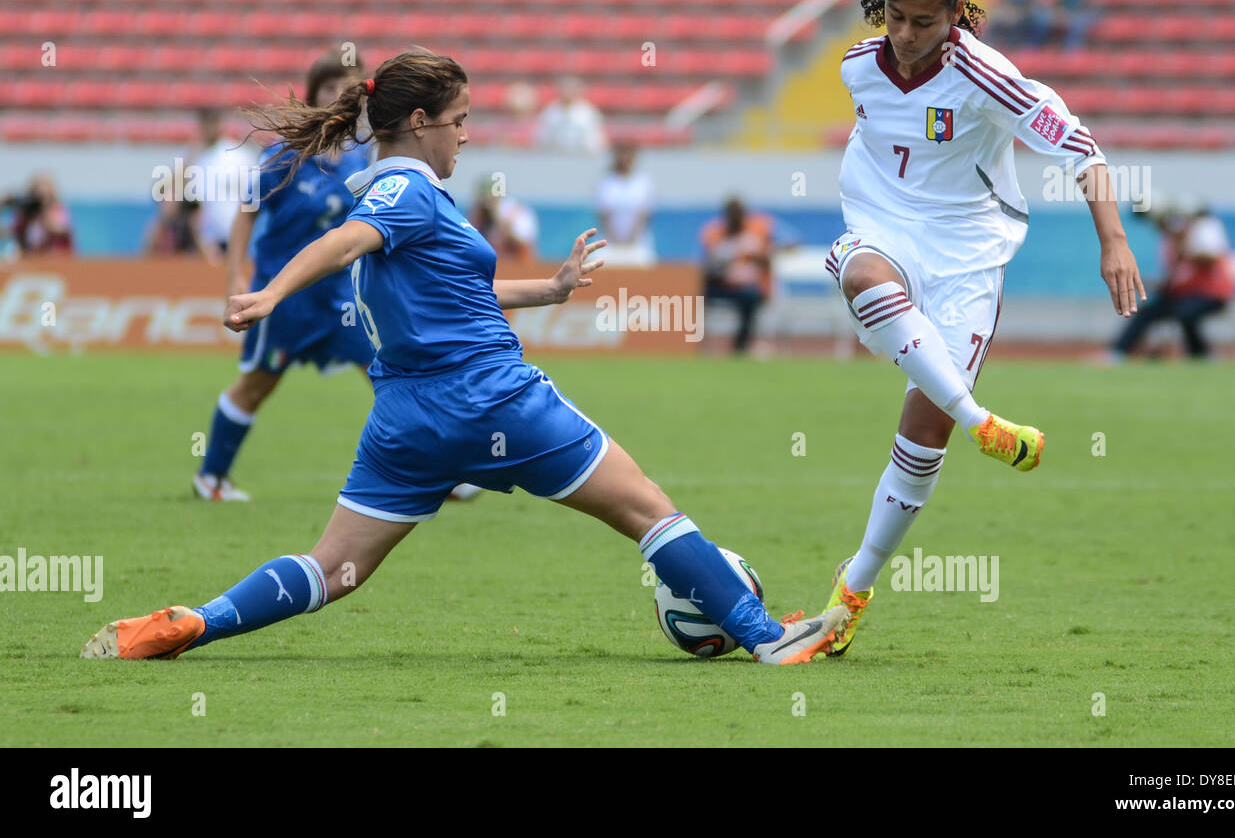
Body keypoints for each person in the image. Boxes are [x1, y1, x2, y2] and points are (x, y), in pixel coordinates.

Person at [81, 49, 847, 665]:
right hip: (496, 397)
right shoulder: (403, 194)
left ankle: (197, 621)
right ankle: (763, 633)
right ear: (418, 122)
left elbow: (455, 284)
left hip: (407, 421)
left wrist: (548, 291)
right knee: (648, 509)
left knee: (333, 570)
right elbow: (344, 241)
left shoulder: (389, 193)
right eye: (459, 119)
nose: (468, 134)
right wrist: (269, 293)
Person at [815, 0, 1145, 656]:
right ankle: (982, 420)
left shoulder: (989, 76)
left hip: (969, 255)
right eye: (896, 18)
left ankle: (853, 587)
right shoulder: (857, 68)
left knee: (922, 435)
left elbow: (1082, 149)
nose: (905, 36)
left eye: (923, 23)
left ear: (957, 16)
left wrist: (1114, 240)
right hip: (883, 231)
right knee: (863, 275)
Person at [191, 52, 378, 502]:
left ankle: (437, 477)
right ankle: (211, 478)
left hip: (341, 301)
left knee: (390, 376)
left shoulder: (363, 159)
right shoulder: (286, 153)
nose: (339, 96)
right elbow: (246, 213)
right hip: (284, 298)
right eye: (330, 87)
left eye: (348, 88)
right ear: (314, 94)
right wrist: (236, 279)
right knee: (256, 385)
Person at [1110, 201, 1235, 360]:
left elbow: (1211, 259)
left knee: (1186, 312)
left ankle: (1202, 355)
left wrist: (1186, 250)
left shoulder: (1204, 231)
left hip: (1211, 294)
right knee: (1147, 312)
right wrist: (1147, 284)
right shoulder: (1170, 243)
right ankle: (1117, 353)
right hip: (1183, 295)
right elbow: (1172, 280)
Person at [700, 197, 776, 355]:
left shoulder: (756, 233)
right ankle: (696, 341)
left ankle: (740, 345)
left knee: (752, 297)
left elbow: (767, 260)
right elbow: (708, 264)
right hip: (720, 285)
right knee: (695, 296)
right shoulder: (714, 234)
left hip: (745, 288)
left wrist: (756, 255)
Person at [188, 107, 260, 263]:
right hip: (208, 240)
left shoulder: (236, 154)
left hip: (236, 235)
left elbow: (254, 194)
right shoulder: (196, 158)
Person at [594, 142, 656, 266]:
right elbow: (604, 216)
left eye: (629, 154)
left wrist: (630, 242)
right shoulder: (606, 182)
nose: (625, 158)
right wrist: (615, 242)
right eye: (622, 153)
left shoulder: (644, 183)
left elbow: (643, 216)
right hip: (609, 243)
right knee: (596, 261)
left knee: (646, 260)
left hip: (637, 243)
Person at [467, 176, 539, 262]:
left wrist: (499, 221)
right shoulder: (481, 216)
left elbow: (523, 245)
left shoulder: (516, 213)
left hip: (518, 267)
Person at [534, 75, 608, 153]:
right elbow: (543, 136)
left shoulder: (588, 112)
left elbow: (595, 139)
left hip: (582, 156)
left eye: (571, 89)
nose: (568, 92)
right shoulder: (550, 111)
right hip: (555, 156)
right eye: (565, 88)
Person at [5, 173, 74, 255]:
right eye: (36, 195)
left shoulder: (58, 210)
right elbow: (14, 231)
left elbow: (59, 230)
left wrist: (44, 210)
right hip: (30, 256)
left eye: (44, 196)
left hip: (55, 257)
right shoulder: (26, 212)